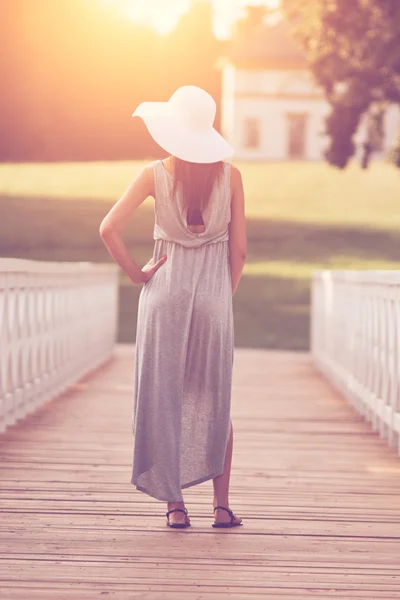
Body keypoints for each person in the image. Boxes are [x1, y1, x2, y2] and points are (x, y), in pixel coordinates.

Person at [99, 86, 247, 529]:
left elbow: (109, 229)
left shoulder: (153, 174)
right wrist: (222, 294)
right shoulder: (232, 176)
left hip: (164, 293)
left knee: (164, 398)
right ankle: (221, 508)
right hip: (213, 298)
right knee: (216, 402)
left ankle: (175, 507)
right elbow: (238, 252)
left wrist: (138, 274)